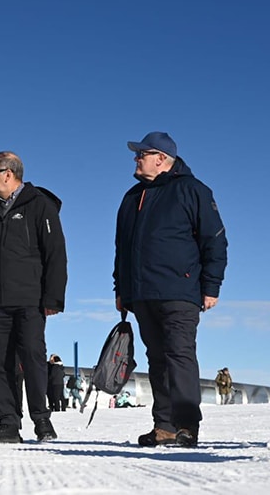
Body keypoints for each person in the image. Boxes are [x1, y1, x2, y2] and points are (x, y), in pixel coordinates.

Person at [113, 132, 228, 449]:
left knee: (179, 356)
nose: (136, 159)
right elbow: (122, 248)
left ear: (161, 158)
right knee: (157, 361)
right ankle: (163, 426)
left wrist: (211, 285)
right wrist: (121, 289)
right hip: (142, 294)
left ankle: (187, 425)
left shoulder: (192, 190)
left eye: (142, 154)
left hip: (180, 291)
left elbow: (215, 240)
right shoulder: (131, 197)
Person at [0, 151, 67, 444]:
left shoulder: (39, 205)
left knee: (33, 359)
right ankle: (9, 424)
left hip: (30, 300)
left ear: (8, 174)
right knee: (0, 363)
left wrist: (53, 297)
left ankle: (42, 420)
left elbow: (55, 253)